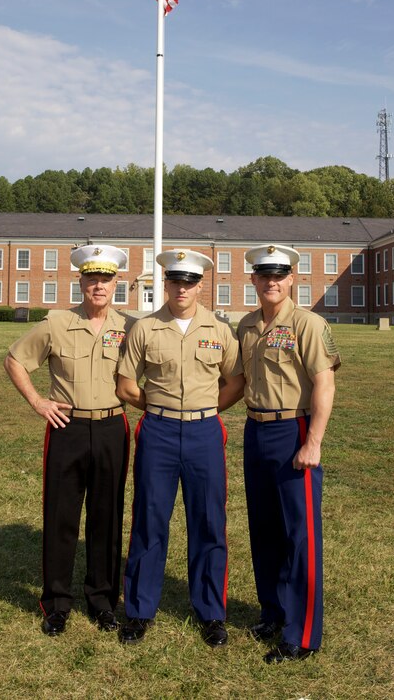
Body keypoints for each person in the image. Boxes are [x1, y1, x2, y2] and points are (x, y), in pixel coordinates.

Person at [116, 249, 244, 648]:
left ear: (200, 285)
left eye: (189, 282)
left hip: (205, 433)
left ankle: (210, 612)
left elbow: (236, 381)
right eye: (175, 281)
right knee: (149, 519)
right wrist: (157, 408)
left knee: (208, 521)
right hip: (158, 432)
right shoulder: (145, 328)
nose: (181, 288)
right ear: (165, 284)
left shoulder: (220, 329)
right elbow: (125, 384)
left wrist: (205, 410)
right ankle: (139, 609)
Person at [3, 244, 131, 637]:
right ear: (80, 281)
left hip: (112, 427)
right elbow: (14, 360)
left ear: (115, 284)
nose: (99, 286)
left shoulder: (130, 328)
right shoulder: (55, 324)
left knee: (106, 516)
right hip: (67, 428)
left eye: (106, 279)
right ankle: (56, 603)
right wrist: (39, 402)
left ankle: (103, 601)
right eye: (92, 278)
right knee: (61, 517)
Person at [236, 244, 341, 663]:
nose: (272, 281)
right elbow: (237, 381)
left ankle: (301, 634)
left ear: (292, 278)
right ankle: (273, 611)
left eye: (279, 274)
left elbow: (325, 384)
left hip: (293, 430)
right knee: (264, 529)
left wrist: (313, 441)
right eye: (264, 274)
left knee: (300, 535)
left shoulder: (309, 324)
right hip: (255, 430)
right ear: (254, 280)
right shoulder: (245, 326)